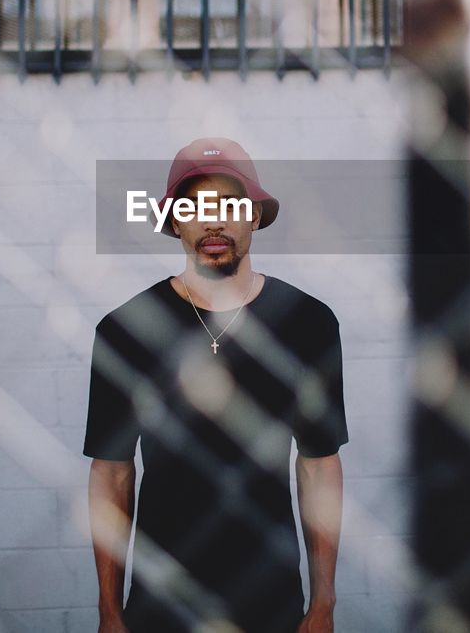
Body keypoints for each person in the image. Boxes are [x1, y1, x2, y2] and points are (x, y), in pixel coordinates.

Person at [84, 137, 349, 633]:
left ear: (253, 215)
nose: (214, 220)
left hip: (270, 599)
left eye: (229, 204)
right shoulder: (125, 330)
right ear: (175, 220)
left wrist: (323, 603)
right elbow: (112, 474)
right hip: (161, 603)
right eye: (197, 205)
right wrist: (108, 609)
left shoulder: (306, 324)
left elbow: (318, 467)